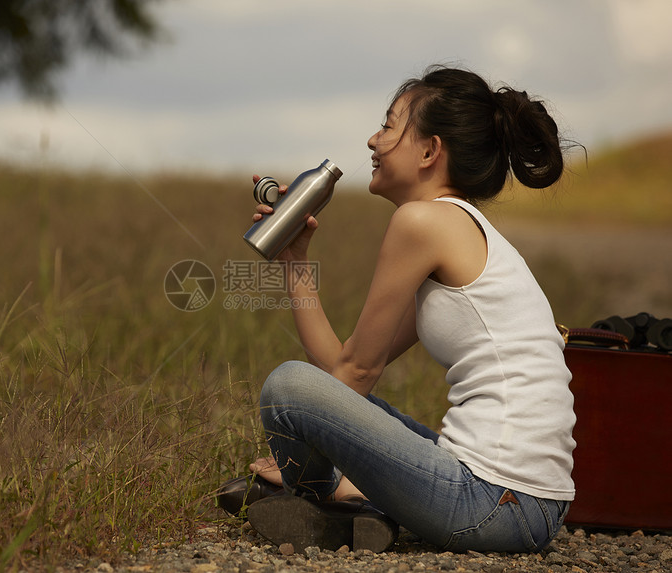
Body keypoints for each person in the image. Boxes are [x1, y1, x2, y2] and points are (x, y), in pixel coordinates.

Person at [217, 65, 576, 554]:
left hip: (493, 502)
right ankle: (349, 505)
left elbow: (351, 375)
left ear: (430, 151)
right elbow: (348, 369)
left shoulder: (422, 221)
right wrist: (295, 261)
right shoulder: (457, 229)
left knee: (286, 386)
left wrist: (306, 447)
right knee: (317, 395)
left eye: (388, 126)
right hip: (526, 505)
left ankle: (321, 496)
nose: (372, 139)